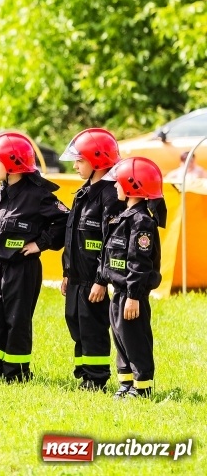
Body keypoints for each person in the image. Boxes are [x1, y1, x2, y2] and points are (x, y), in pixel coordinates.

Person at [0, 132, 68, 383]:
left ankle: (16, 373)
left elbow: (64, 220)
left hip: (21, 269)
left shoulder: (37, 194)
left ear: (12, 162)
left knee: (17, 321)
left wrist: (40, 244)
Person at [58, 128, 124, 391]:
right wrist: (66, 271)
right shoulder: (83, 192)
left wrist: (101, 279)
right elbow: (71, 236)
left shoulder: (109, 195)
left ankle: (96, 378)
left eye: (79, 160)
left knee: (92, 328)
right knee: (75, 322)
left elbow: (110, 243)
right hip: (76, 276)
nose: (75, 166)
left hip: (93, 280)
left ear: (97, 161)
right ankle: (84, 372)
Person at [99, 157, 166, 399]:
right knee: (120, 338)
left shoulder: (141, 222)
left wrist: (133, 296)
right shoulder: (122, 217)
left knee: (135, 339)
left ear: (132, 185)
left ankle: (143, 387)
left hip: (131, 295)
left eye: (117, 183)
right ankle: (126, 383)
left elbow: (139, 262)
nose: (114, 187)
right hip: (118, 292)